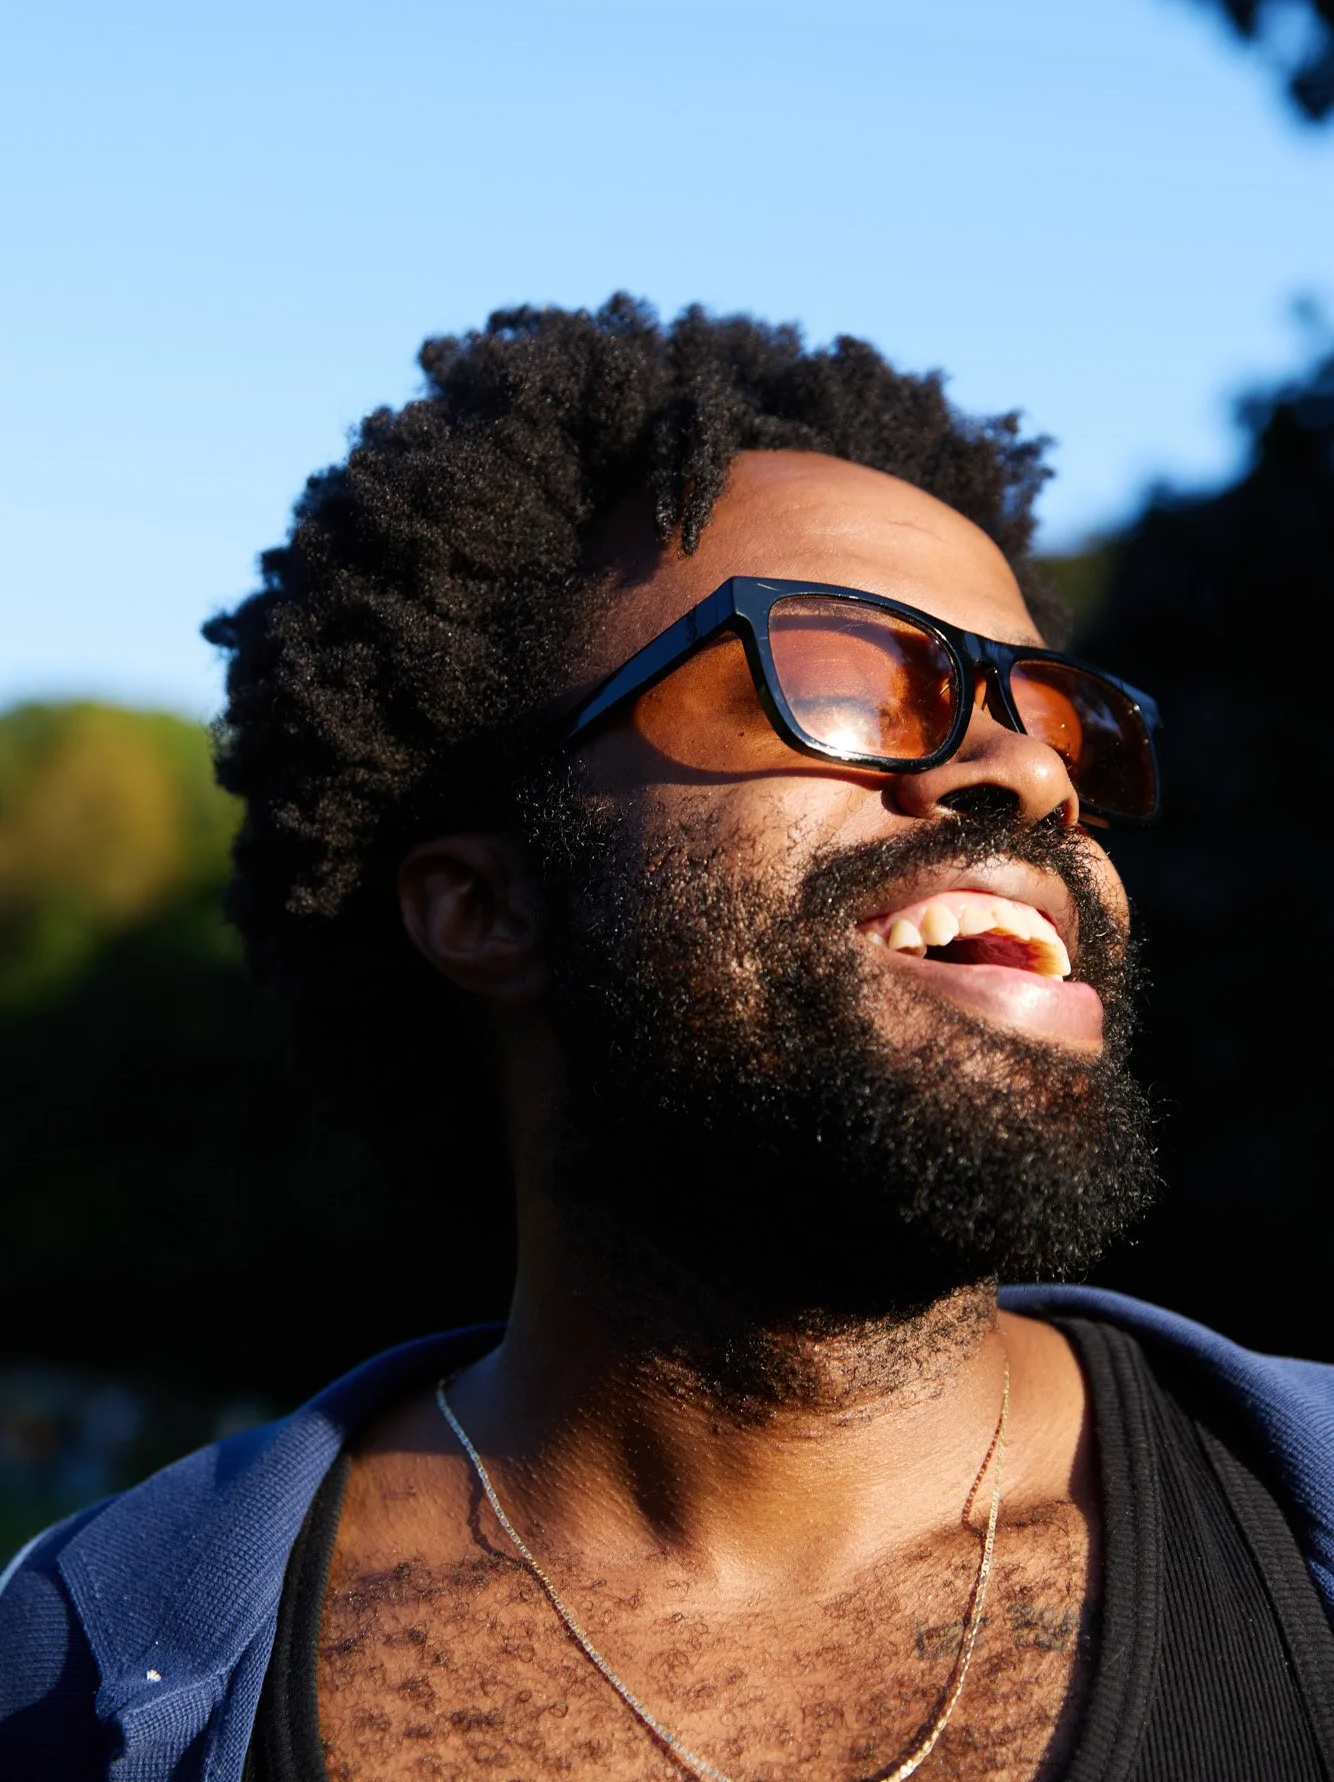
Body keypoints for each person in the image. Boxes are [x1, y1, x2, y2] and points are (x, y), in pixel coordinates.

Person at [2, 297, 1332, 1782]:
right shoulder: (80, 1674)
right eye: (844, 674)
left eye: (1060, 716)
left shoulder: (1302, 1538)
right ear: (487, 907)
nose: (1025, 771)